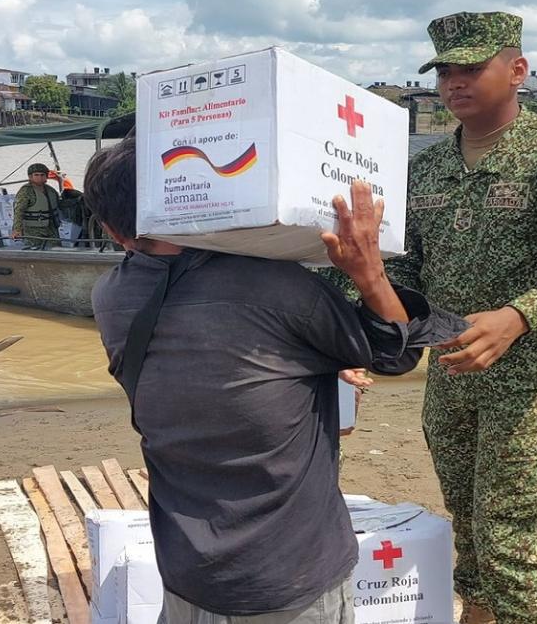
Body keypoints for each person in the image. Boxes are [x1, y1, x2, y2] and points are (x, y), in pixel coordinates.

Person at [84, 138, 466, 623]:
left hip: (187, 569)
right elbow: (393, 353)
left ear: (116, 233)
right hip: (288, 576)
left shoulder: (111, 296)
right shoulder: (275, 287)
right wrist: (370, 274)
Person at [393, 12, 537, 624]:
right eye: (444, 70)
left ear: (517, 71)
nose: (454, 81)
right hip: (452, 374)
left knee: (506, 538)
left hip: (534, 380)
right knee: (466, 529)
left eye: (471, 67)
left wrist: (519, 316)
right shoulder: (425, 170)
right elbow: (409, 273)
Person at [11, 162, 60, 249]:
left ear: (46, 176)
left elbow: (59, 205)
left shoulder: (51, 191)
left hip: (51, 228)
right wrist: (17, 229)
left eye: (42, 175)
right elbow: (19, 211)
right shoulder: (26, 191)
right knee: (34, 250)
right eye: (36, 175)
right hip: (32, 229)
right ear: (30, 177)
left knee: (56, 249)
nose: (39, 178)